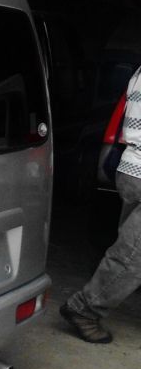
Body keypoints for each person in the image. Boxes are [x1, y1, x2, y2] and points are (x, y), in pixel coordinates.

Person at [60, 66, 141, 343]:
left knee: (132, 251)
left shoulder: (138, 72)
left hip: (131, 169)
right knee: (131, 257)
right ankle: (84, 308)